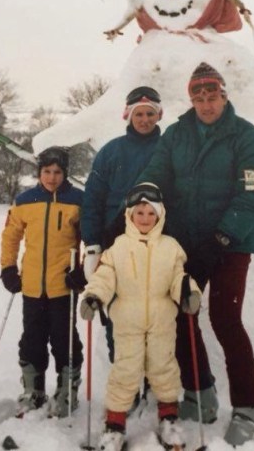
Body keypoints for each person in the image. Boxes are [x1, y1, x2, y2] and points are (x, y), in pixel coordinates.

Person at [137, 62, 254, 446]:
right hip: (187, 242)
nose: (206, 104)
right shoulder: (176, 135)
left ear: (224, 96)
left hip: (232, 243)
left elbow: (253, 193)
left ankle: (248, 409)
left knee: (226, 319)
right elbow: (156, 174)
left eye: (213, 96)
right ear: (191, 100)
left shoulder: (247, 137)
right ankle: (200, 395)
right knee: (180, 314)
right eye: (199, 98)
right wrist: (137, 204)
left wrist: (221, 239)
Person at [79, 183, 201, 451]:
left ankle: (169, 419)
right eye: (139, 213)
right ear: (130, 215)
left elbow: (178, 277)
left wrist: (188, 293)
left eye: (150, 213)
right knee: (125, 370)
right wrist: (94, 296)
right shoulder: (119, 247)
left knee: (164, 367)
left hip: (161, 321)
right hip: (127, 322)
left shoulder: (171, 247)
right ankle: (114, 425)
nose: (145, 218)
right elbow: (105, 276)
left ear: (160, 215)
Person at [73, 86, 163, 407]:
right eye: (139, 113)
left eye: (150, 113)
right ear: (128, 115)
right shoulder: (111, 152)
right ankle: (126, 382)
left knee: (155, 313)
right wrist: (93, 244)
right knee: (118, 315)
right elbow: (93, 201)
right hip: (114, 247)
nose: (144, 119)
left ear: (158, 115)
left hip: (156, 245)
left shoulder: (168, 149)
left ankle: (154, 381)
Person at [0, 146, 85, 418]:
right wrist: (8, 268)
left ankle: (67, 391)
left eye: (57, 172)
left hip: (64, 285)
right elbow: (11, 236)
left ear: (65, 173)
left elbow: (92, 238)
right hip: (32, 285)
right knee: (32, 338)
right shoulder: (25, 200)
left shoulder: (78, 200)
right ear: (39, 172)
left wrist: (83, 270)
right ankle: (33, 390)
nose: (52, 177)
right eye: (47, 171)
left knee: (64, 339)